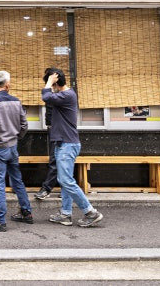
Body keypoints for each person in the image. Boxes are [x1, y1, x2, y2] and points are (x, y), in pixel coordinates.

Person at [42, 68, 104, 227]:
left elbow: (46, 96)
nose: (50, 86)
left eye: (51, 84)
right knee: (65, 180)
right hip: (63, 143)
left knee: (65, 180)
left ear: (55, 83)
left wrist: (49, 82)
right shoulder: (63, 95)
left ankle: (90, 212)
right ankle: (65, 213)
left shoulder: (67, 95)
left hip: (67, 144)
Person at [0, 70, 32, 232]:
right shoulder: (16, 102)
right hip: (13, 146)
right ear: (7, 85)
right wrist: (17, 137)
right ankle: (26, 212)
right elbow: (24, 125)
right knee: (17, 180)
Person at [35, 103, 57, 200]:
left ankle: (47, 189)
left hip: (59, 128)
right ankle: (67, 191)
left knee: (55, 160)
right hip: (53, 127)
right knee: (56, 160)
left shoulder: (64, 94)